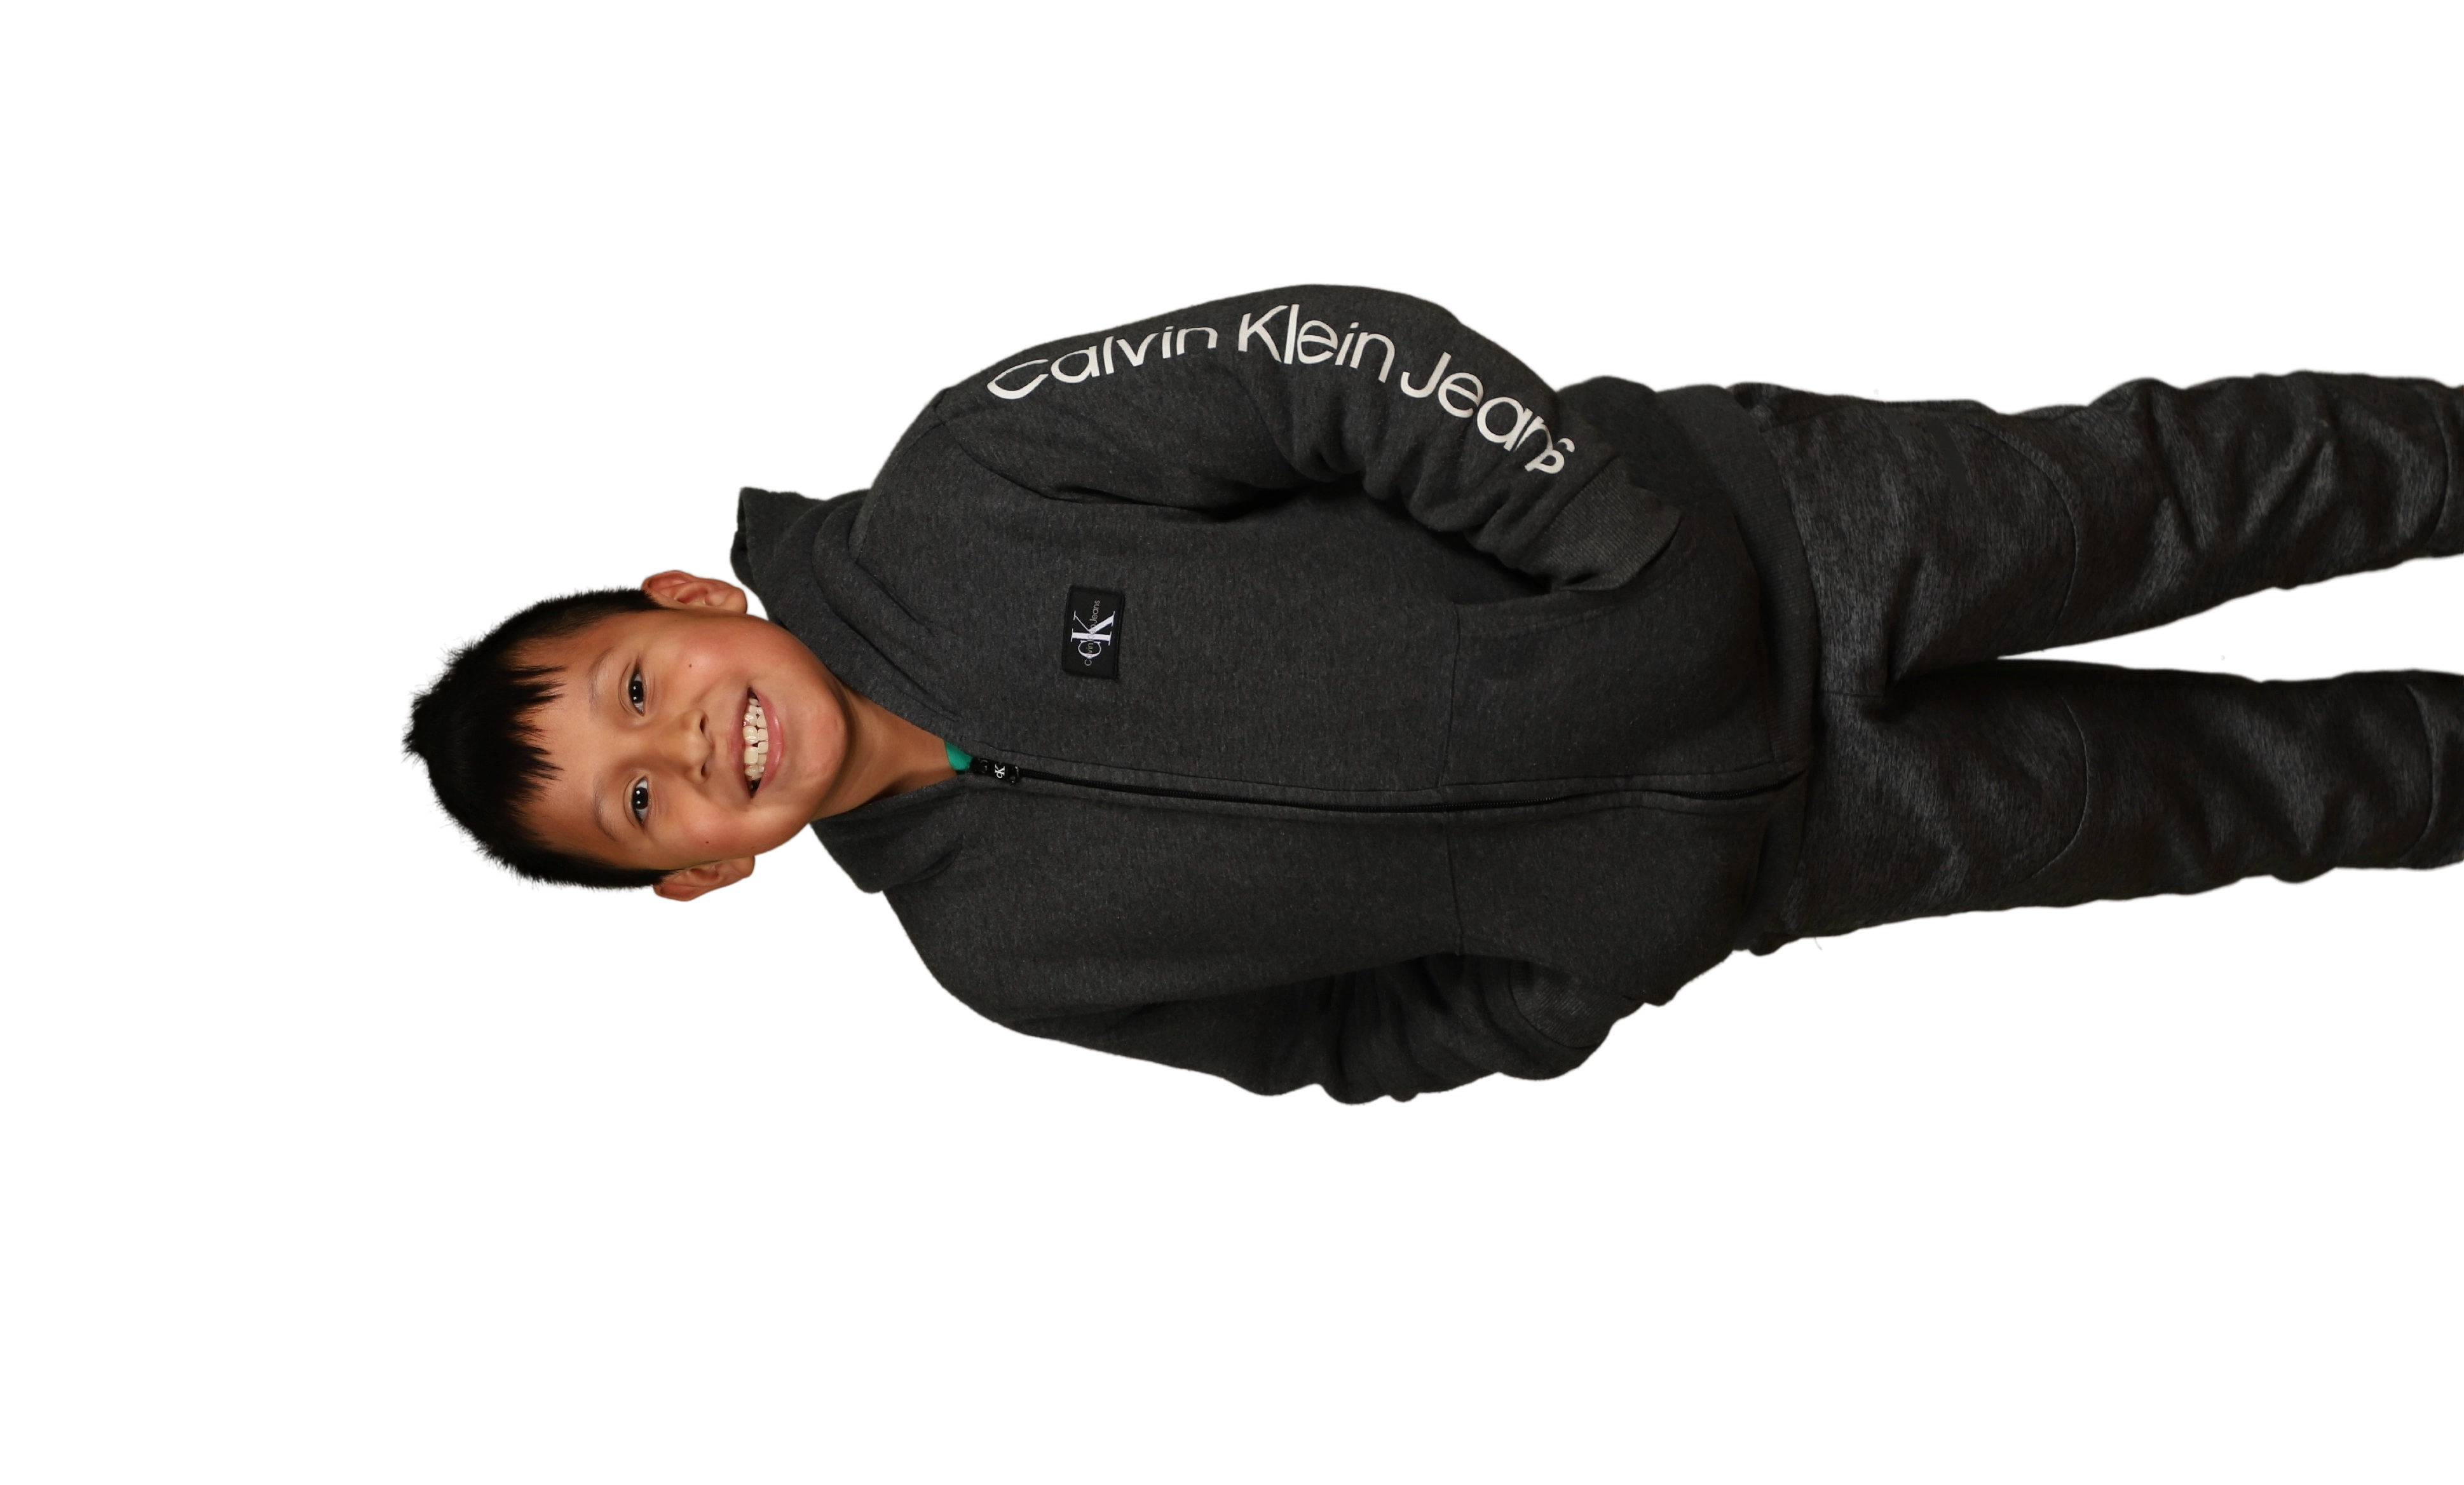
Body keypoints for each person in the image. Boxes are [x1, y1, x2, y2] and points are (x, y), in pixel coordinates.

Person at [395, 280, 2464, 1107]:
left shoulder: (969, 480)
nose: (687, 747)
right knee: (2250, 797)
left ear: (690, 597)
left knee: (2199, 490)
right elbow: (1326, 1045)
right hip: (1813, 851)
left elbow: (1320, 356)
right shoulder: (1001, 956)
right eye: (642, 802)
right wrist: (1573, 986)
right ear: (699, 877)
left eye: (640, 686)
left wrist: (1608, 541)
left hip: (1793, 536)